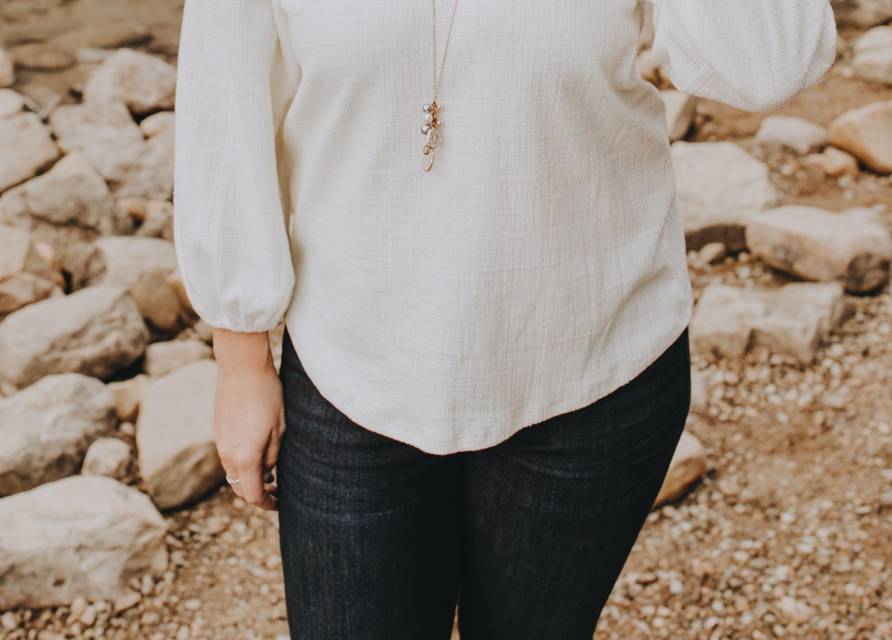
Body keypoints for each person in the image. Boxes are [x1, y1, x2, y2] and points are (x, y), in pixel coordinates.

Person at [172, 1, 837, 638]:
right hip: (355, 368)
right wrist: (240, 356)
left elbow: (769, 62)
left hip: (595, 363)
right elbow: (224, 104)